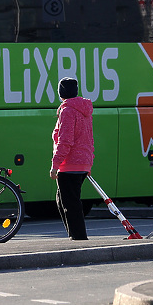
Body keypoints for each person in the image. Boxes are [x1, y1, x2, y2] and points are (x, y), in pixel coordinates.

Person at [50, 77, 94, 240]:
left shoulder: (67, 111)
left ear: (61, 93)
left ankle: (79, 237)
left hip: (70, 164)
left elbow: (65, 140)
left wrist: (55, 164)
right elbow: (89, 138)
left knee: (70, 203)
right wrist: (89, 163)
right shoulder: (84, 110)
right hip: (82, 162)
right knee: (63, 199)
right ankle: (74, 234)